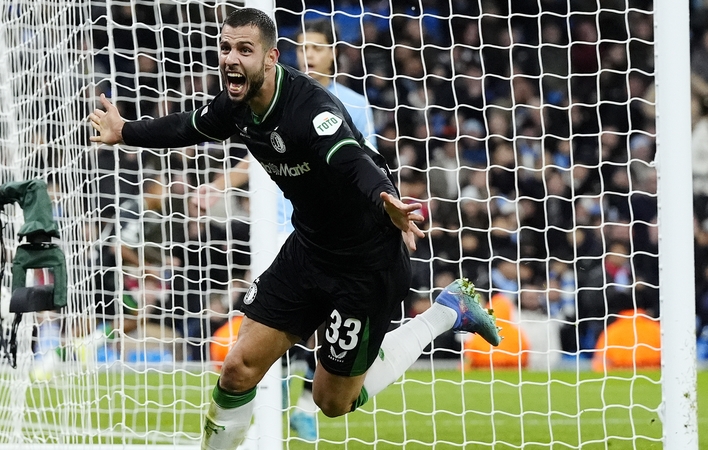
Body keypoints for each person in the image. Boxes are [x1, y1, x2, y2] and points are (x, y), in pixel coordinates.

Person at [89, 8, 501, 449]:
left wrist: (387, 198)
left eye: (244, 49)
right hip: (308, 249)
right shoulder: (236, 105)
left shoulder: (311, 108)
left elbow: (352, 158)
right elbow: (188, 126)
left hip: (364, 263)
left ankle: (445, 312)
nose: (230, 58)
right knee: (237, 369)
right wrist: (125, 131)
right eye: (225, 48)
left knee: (332, 401)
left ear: (271, 57)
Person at [191, 17, 378, 440]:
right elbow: (251, 154)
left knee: (321, 326)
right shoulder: (272, 94)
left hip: (331, 233)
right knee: (270, 323)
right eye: (303, 47)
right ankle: (275, 402)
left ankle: (306, 403)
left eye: (317, 48)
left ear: (332, 54)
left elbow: (362, 162)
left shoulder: (351, 104)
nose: (308, 54)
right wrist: (217, 186)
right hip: (276, 225)